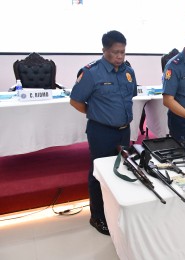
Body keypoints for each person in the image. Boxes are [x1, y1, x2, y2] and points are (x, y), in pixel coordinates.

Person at [69, 30, 138, 235]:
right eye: (115, 52)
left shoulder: (128, 71)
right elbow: (75, 101)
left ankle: (116, 210)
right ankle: (97, 216)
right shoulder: (91, 72)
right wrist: (97, 113)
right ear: (104, 51)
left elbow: (129, 97)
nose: (119, 57)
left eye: (123, 52)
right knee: (99, 173)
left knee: (120, 170)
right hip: (101, 131)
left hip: (123, 131)